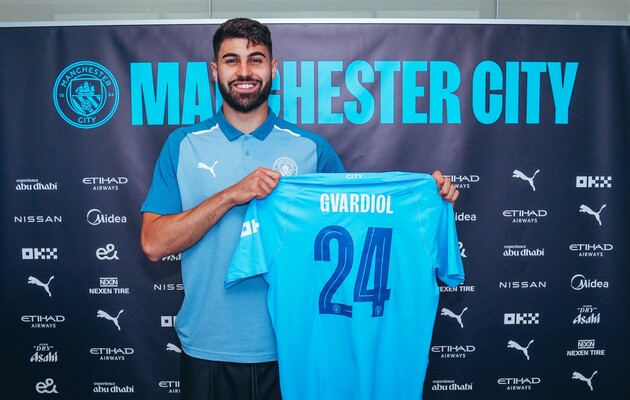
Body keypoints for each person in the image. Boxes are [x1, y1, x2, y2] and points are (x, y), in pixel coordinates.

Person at [140, 17, 459, 400]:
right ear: (214, 71)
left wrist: (429, 198)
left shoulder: (311, 149)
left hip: (295, 352)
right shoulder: (183, 145)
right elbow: (154, 244)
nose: (244, 71)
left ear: (273, 69)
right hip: (207, 349)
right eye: (231, 60)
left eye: (256, 59)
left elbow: (359, 227)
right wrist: (231, 195)